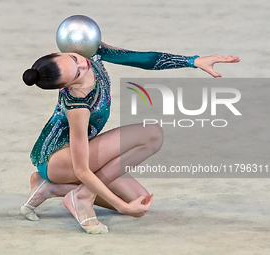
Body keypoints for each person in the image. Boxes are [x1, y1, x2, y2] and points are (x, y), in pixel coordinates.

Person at [21, 42, 240, 234]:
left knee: (139, 200)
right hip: (59, 160)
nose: (83, 65)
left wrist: (194, 61)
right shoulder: (77, 105)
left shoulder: (89, 52)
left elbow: (142, 59)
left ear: (59, 52)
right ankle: (81, 197)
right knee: (151, 135)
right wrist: (121, 207)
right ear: (63, 86)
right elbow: (81, 170)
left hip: (80, 154)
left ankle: (51, 188)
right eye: (76, 73)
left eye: (74, 59)